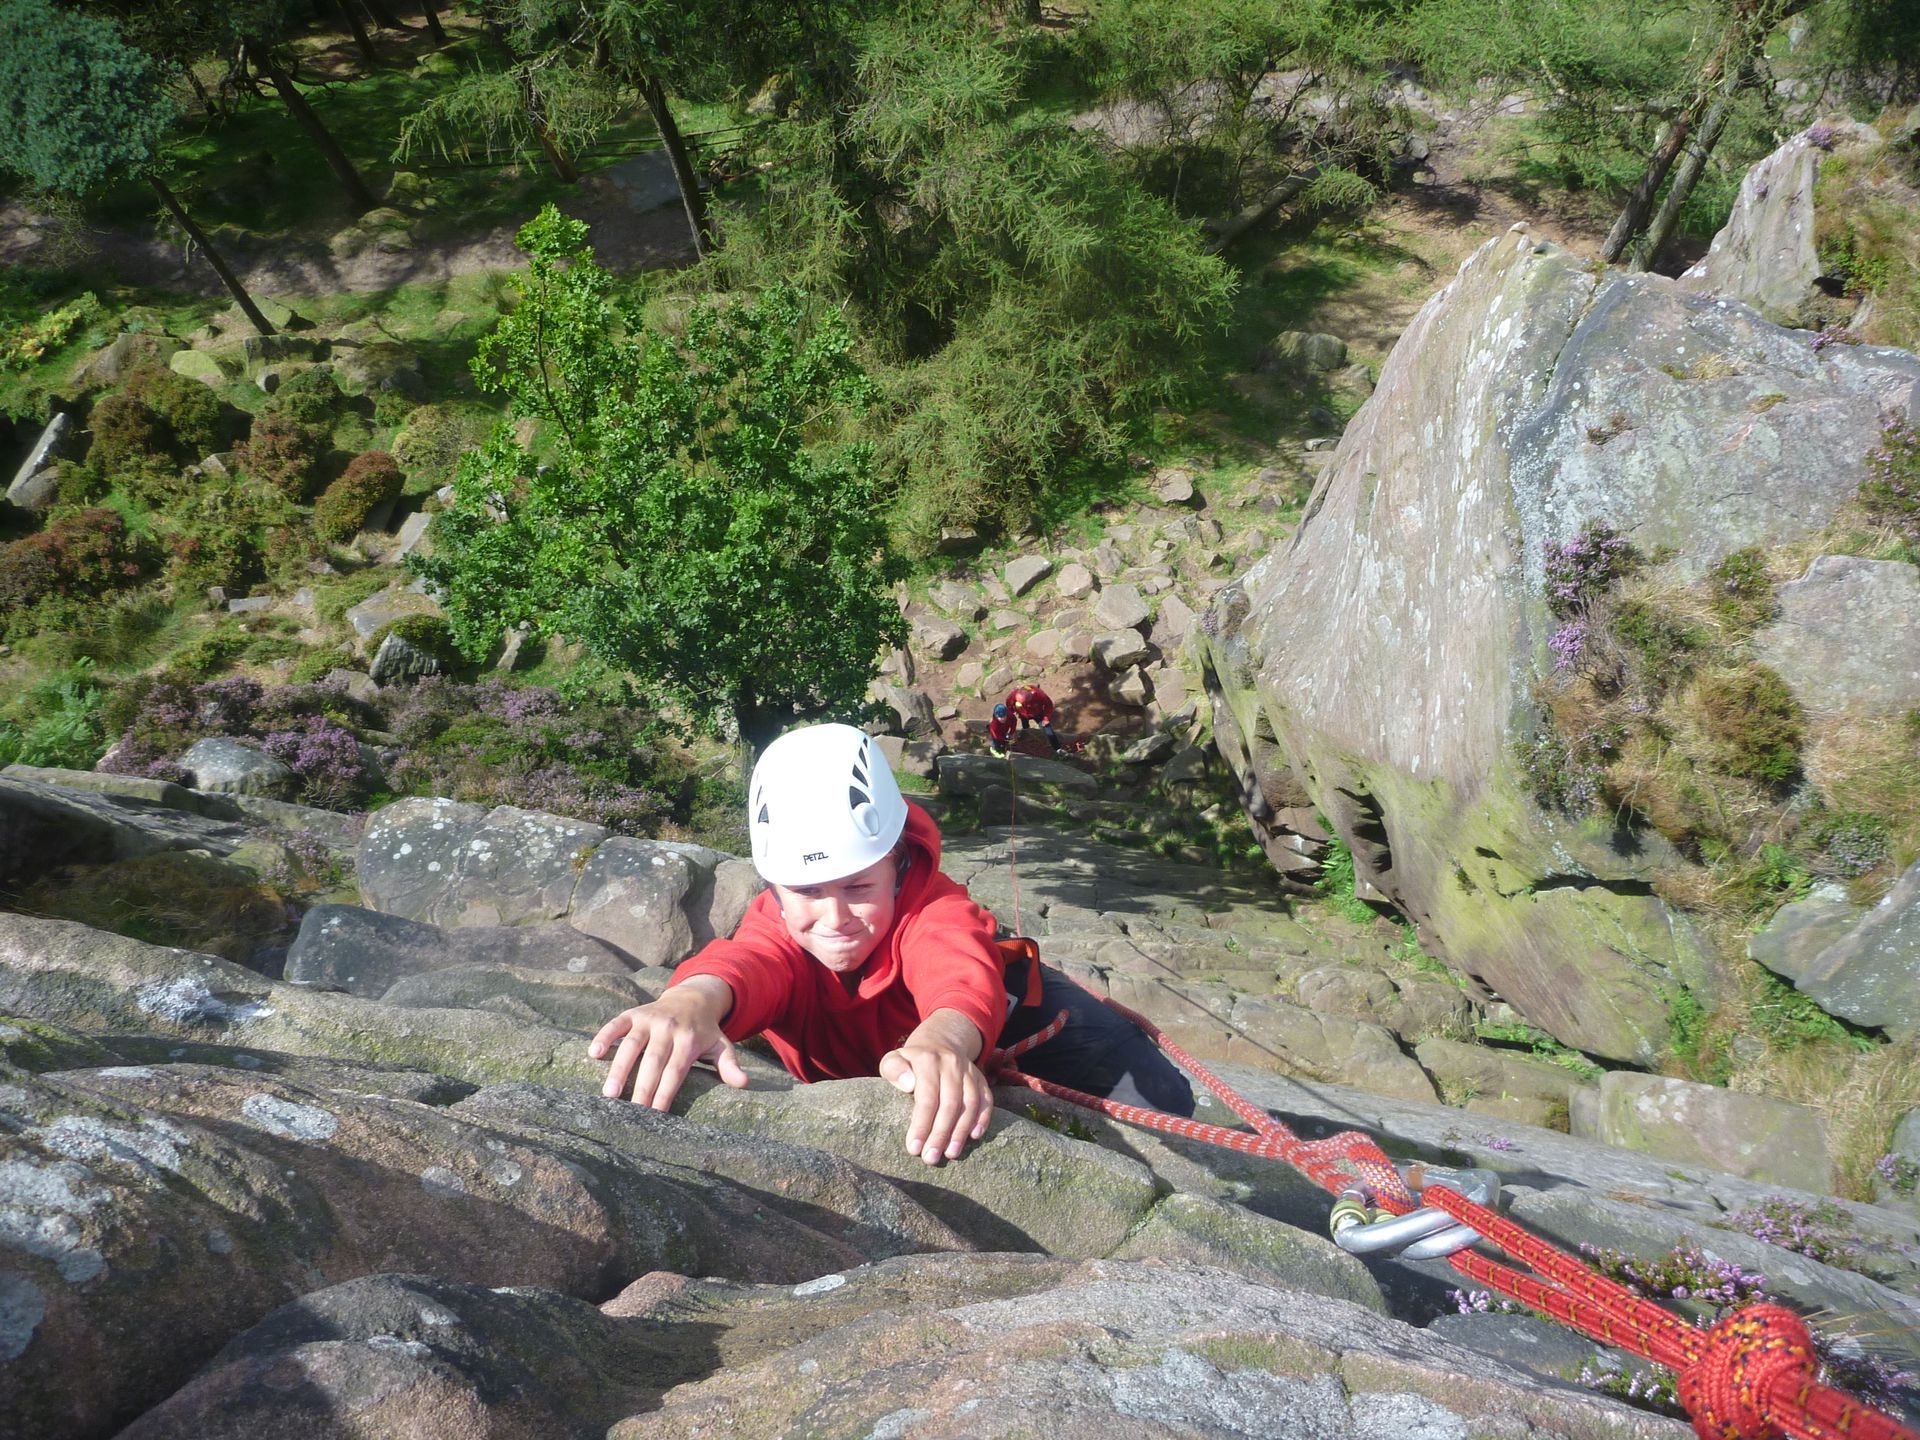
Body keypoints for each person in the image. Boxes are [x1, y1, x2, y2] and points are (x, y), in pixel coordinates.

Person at [588, 723, 1193, 1164]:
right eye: (806, 891)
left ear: (898, 865)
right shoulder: (777, 923)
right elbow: (749, 961)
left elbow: (955, 964)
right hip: (923, 1047)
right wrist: (689, 999)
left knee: (1166, 1098)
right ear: (773, 886)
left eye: (858, 886)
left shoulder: (933, 908)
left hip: (1009, 1016)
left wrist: (945, 1038)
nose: (835, 917)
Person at [989, 683, 1063, 755]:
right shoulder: (1014, 695)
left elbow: (1049, 706)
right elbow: (1009, 704)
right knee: (1025, 728)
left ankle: (1057, 749)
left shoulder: (1040, 695)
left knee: (1048, 730)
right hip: (1022, 713)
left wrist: (1046, 718)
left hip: (1037, 713)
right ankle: (1027, 740)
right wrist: (1011, 713)